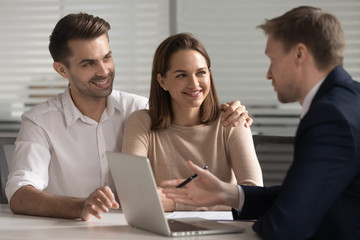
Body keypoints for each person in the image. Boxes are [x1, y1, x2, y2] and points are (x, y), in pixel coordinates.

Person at [5, 13, 252, 221]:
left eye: (107, 57)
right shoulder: (41, 121)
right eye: (88, 63)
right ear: (62, 70)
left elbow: (189, 106)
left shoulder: (140, 110)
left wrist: (231, 112)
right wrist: (79, 207)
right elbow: (20, 193)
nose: (104, 71)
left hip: (133, 228)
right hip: (69, 230)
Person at [162, 6, 360, 240]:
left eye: (272, 59)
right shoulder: (348, 99)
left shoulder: (330, 116)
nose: (268, 73)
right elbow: (298, 197)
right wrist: (229, 194)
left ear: (299, 54)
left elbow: (285, 227)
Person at [121, 33, 263, 212]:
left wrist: (175, 203)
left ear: (209, 75)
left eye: (201, 73)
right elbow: (134, 194)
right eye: (181, 75)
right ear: (162, 81)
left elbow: (253, 194)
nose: (194, 84)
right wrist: (221, 201)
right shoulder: (142, 122)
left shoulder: (230, 121)